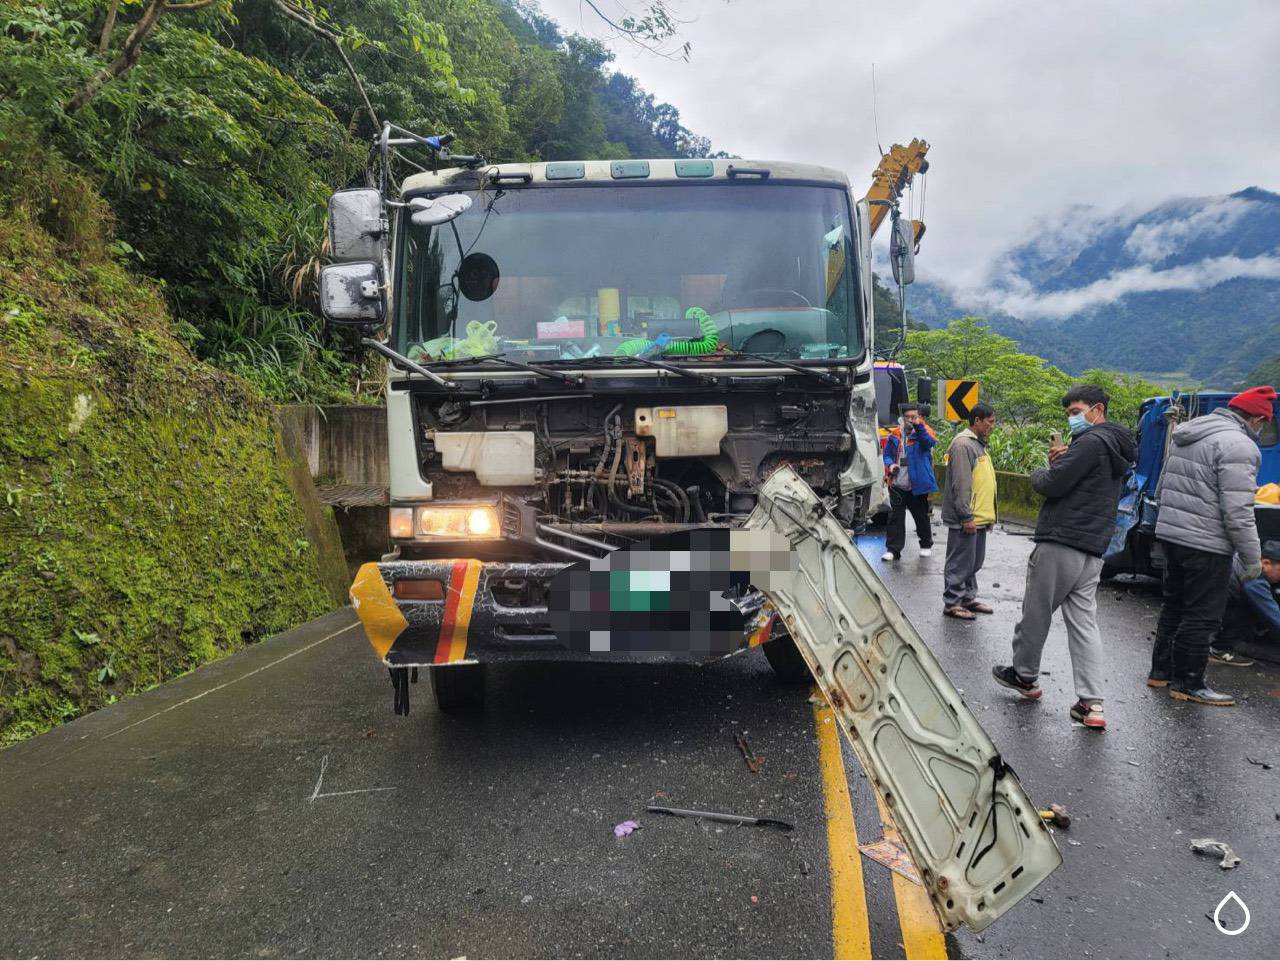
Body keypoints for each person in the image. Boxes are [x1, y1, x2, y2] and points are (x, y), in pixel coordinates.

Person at [991, 385, 1136, 731]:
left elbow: (1052, 484)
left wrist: (1042, 470)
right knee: (1084, 626)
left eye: (1076, 410)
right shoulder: (1117, 447)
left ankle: (1025, 676)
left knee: (1036, 613)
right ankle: (1092, 703)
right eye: (1069, 412)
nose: (1072, 417)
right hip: (1093, 549)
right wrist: (1064, 462)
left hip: (1062, 541)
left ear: (1097, 410)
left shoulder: (1091, 442)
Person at [1147, 385, 1277, 706]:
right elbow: (1238, 512)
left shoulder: (1188, 433)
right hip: (1207, 543)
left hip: (1172, 536)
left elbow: (1163, 487)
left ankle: (1160, 672)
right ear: (1257, 418)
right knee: (1202, 615)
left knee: (1174, 605)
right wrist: (1251, 558)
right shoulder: (1239, 446)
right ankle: (1189, 683)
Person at [941, 402, 997, 620]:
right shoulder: (963, 445)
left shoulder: (978, 445)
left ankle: (967, 597)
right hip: (967, 517)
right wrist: (966, 516)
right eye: (990, 422)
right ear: (977, 421)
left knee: (973, 561)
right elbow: (961, 483)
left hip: (979, 517)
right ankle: (952, 602)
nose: (992, 426)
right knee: (960, 561)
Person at [881, 402, 938, 562]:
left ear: (919, 417)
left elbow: (928, 443)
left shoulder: (924, 431)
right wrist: (891, 464)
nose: (910, 420)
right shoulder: (894, 435)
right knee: (895, 519)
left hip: (917, 484)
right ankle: (893, 550)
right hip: (898, 483)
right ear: (902, 418)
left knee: (921, 516)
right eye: (907, 417)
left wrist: (918, 426)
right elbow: (887, 455)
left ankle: (926, 544)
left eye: (914, 417)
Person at [1208, 540, 1280, 666]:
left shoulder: (1245, 558)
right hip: (1212, 608)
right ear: (1266, 563)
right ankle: (1222, 647)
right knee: (1252, 606)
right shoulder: (1254, 576)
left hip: (1206, 600)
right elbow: (1272, 613)